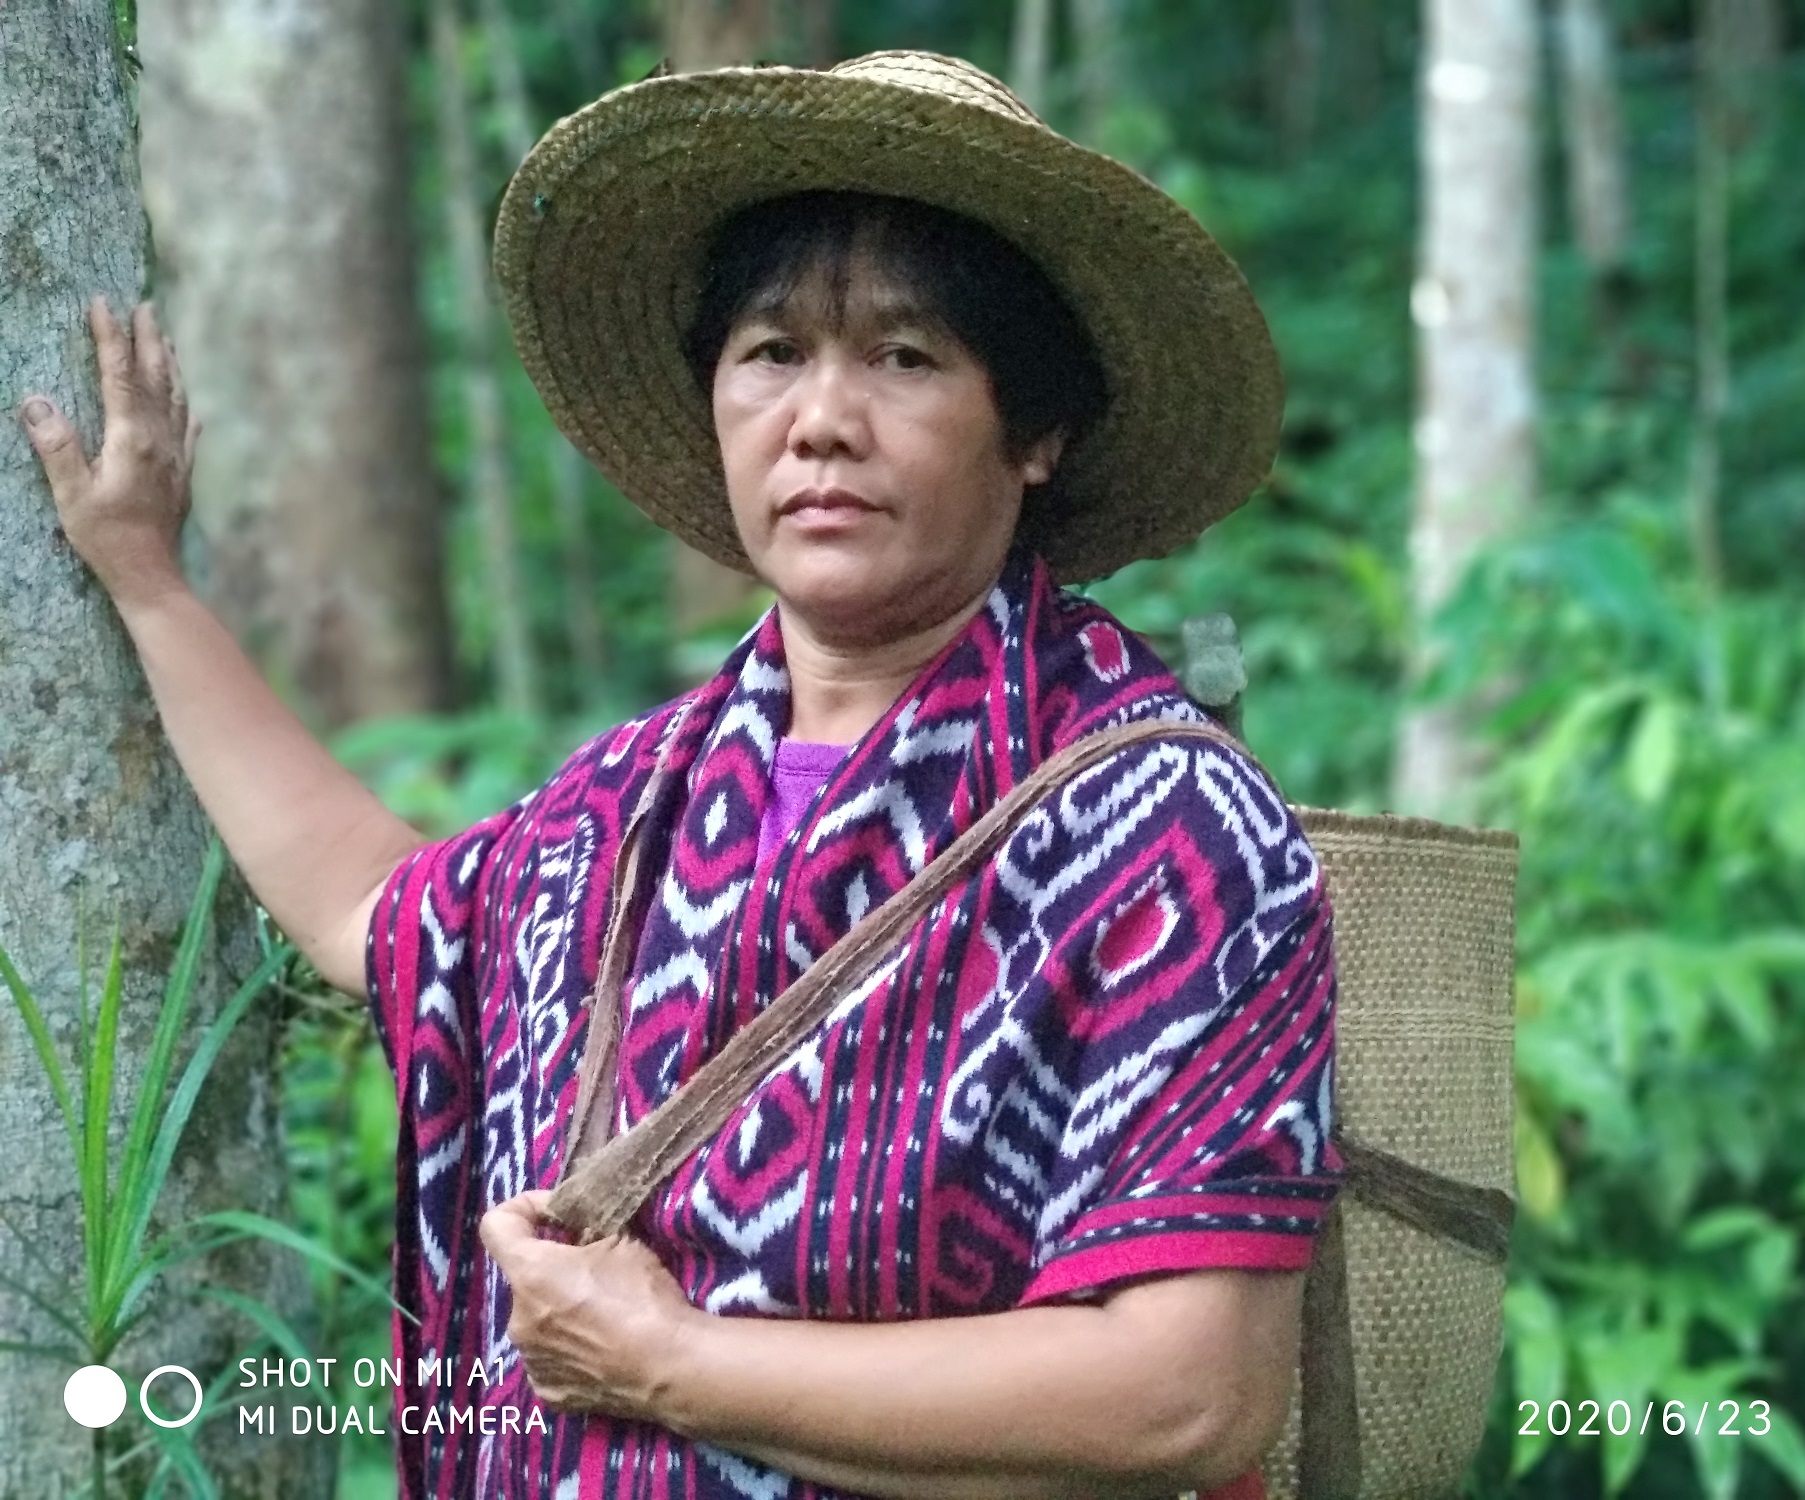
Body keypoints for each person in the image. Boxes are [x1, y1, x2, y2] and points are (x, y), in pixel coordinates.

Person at [17, 50, 1338, 1500]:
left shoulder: (1161, 825)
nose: (821, 419)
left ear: (1035, 432)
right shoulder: (637, 803)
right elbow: (375, 912)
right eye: (772, 351)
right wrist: (148, 583)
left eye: (905, 357)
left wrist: (669, 1362)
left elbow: (1190, 1394)